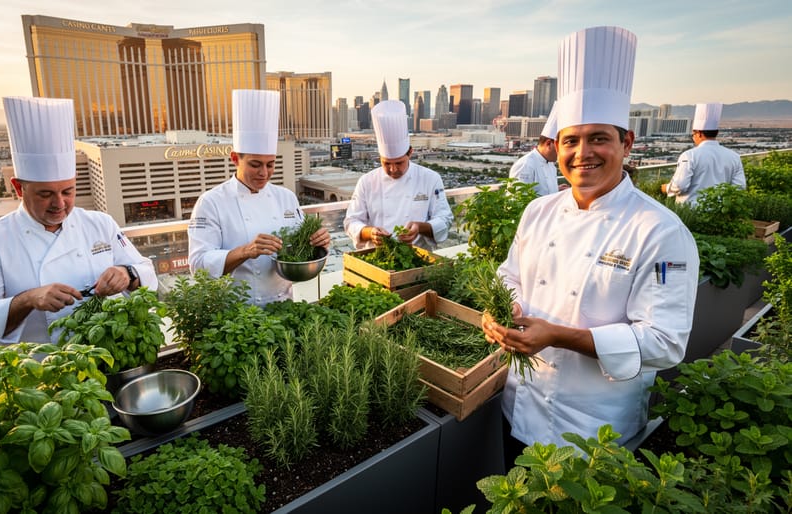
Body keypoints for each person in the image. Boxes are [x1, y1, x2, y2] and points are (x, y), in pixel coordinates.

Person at [481, 26, 700, 450]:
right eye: (572, 141)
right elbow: (509, 277)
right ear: (557, 148)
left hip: (596, 432)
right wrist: (501, 313)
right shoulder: (537, 211)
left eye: (599, 138)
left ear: (627, 143)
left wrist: (560, 336)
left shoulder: (660, 231)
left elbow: (665, 343)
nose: (583, 153)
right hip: (519, 407)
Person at [0, 97, 157, 345]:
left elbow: (146, 271)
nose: (59, 203)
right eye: (45, 194)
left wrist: (127, 273)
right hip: (39, 368)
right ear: (18, 188)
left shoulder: (100, 223)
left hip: (107, 354)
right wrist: (27, 300)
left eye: (68, 191)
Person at [188, 89, 330, 306]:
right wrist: (245, 251)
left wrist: (319, 242)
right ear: (235, 158)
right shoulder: (211, 202)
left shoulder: (286, 197)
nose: (264, 173)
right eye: (255, 164)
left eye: (270, 164)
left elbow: (301, 251)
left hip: (283, 306)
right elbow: (198, 265)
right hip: (236, 313)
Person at [343, 100, 454, 250]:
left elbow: (444, 219)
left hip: (417, 256)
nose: (393, 169)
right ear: (379, 158)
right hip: (377, 256)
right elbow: (351, 222)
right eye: (387, 163)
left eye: (399, 163)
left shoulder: (430, 178)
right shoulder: (366, 182)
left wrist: (419, 227)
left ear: (410, 153)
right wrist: (371, 232)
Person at [664, 103, 746, 205]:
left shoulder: (689, 155)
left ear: (699, 133)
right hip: (720, 212)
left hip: (691, 212)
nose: (693, 137)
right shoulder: (734, 157)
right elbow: (739, 188)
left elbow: (680, 186)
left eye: (693, 134)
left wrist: (666, 188)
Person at [508, 102, 565, 195]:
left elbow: (542, 191)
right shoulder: (526, 165)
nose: (562, 152)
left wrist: (556, 190)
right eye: (560, 147)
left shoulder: (551, 165)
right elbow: (517, 200)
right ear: (549, 143)